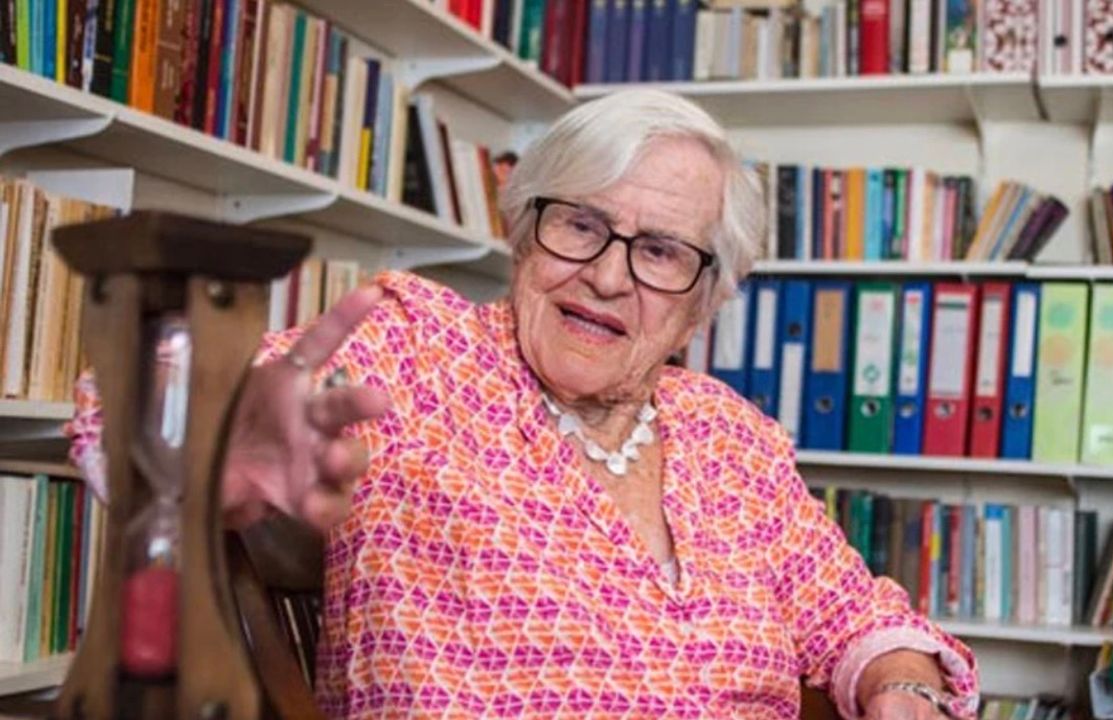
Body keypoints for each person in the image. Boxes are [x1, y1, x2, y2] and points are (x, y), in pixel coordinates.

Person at [68, 89, 979, 718]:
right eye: (581, 224)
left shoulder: (731, 435)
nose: (608, 277)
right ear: (523, 229)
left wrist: (901, 685)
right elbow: (141, 406)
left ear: (702, 302)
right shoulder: (418, 348)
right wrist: (224, 437)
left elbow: (858, 615)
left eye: (661, 251)